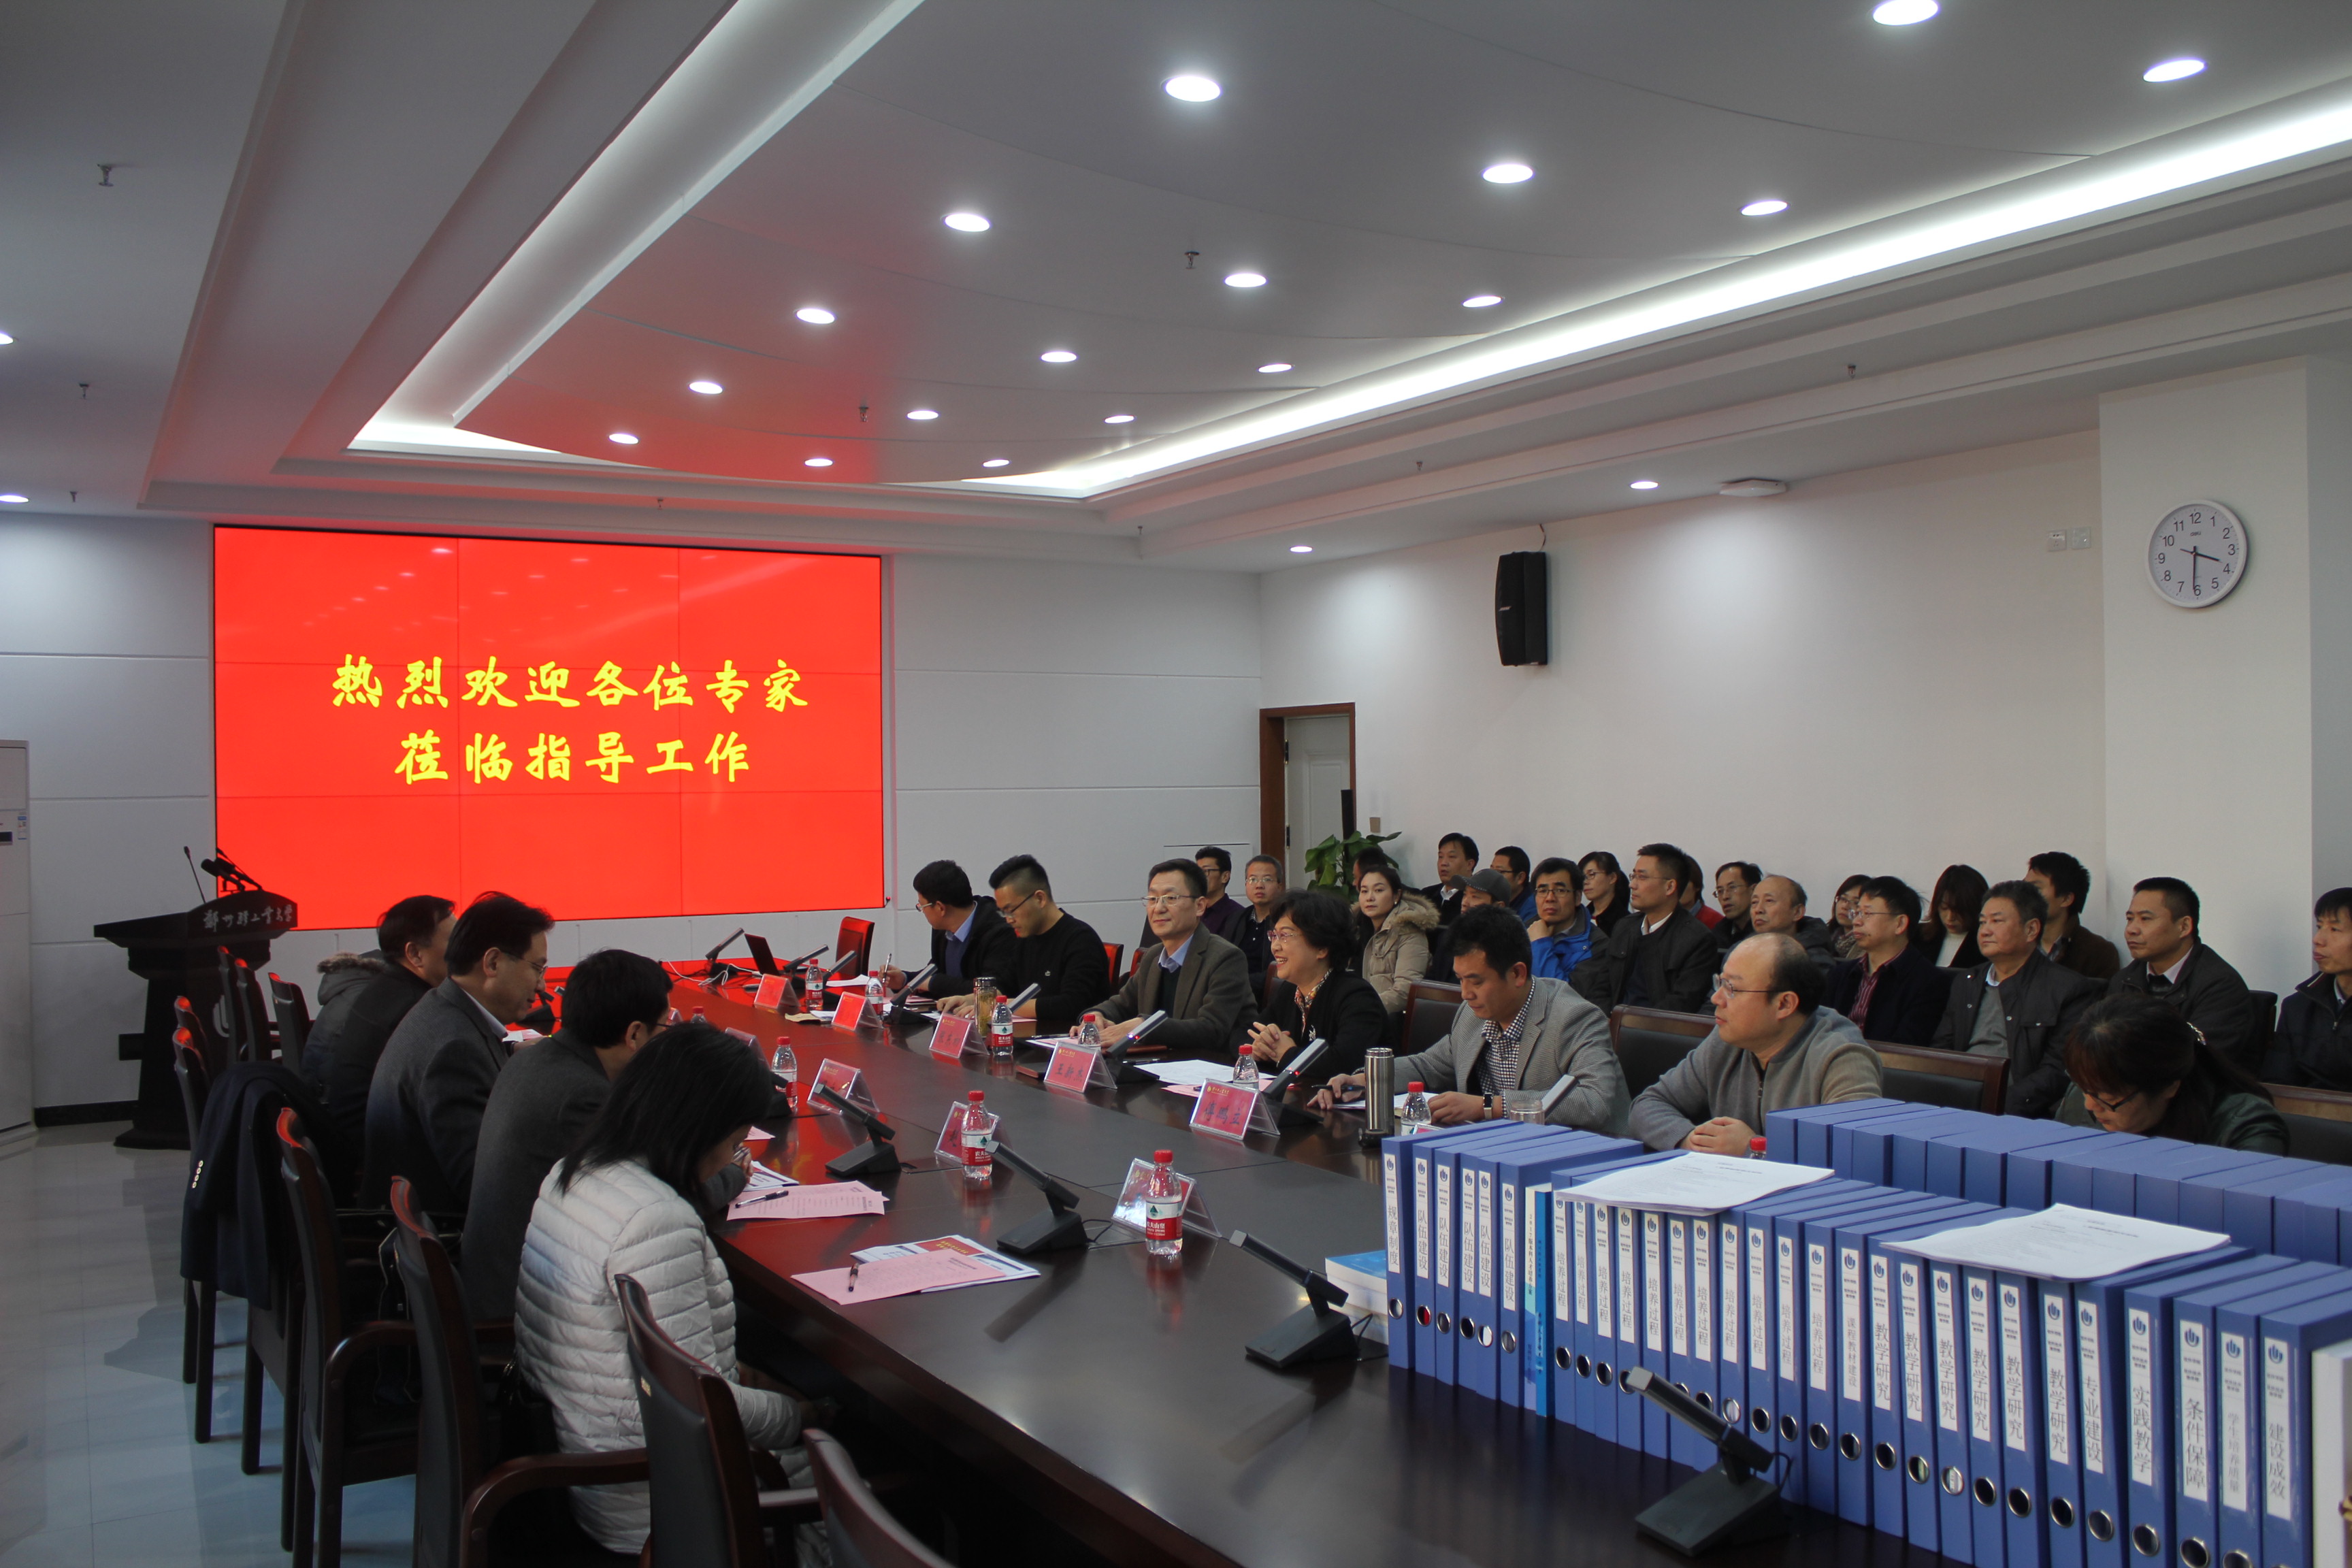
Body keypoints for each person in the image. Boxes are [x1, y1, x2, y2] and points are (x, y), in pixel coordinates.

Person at [514, 1021, 808, 1553]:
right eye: (735, 1142)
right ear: (698, 1129)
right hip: (657, 1499)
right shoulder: (656, 1221)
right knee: (860, 1461)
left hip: (590, 1455)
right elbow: (702, 1404)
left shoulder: (576, 1171)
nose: (732, 1158)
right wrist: (799, 1415)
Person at [463, 948, 670, 1320]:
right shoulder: (582, 1096)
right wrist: (733, 1171)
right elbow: (659, 1191)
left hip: (500, 1275)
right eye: (665, 1029)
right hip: (527, 1308)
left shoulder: (535, 1058)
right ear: (635, 1034)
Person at [1313, 905, 1629, 1133]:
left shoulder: (1574, 1018)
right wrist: (1367, 1080)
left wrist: (1488, 1107)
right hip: (1501, 1153)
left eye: (1476, 981)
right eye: (1460, 979)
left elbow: (1595, 1101)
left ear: (1518, 974)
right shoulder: (1473, 1014)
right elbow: (1430, 1065)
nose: (1465, 994)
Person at [361, 892, 553, 1211]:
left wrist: (512, 1055)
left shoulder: (442, 1007)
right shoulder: (455, 1050)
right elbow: (480, 1185)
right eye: (538, 968)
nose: (542, 986)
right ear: (493, 963)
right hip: (438, 1229)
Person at [1628, 934, 1884, 1152]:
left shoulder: (1841, 1057)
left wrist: (1754, 1149)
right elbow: (1648, 1105)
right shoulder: (1726, 1040)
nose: (1717, 999)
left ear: (1784, 1004)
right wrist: (1691, 1140)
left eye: (1732, 988)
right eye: (1720, 983)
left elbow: (1854, 1152)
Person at [301, 893, 453, 1187]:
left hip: (353, 1133)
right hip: (374, 1159)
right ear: (415, 954)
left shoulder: (387, 986)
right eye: (454, 942)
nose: (464, 951)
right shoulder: (414, 1008)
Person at [1926, 880, 2100, 1118]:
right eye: (1983, 922)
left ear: (2031, 930)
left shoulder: (2068, 989)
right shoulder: (1967, 982)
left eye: (1997, 921)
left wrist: (1998, 1106)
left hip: (2020, 1112)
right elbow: (1942, 1049)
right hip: (1960, 1103)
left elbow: (2058, 1069)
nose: (1985, 931)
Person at [2055, 994, 2286, 1152]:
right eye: (2084, 1088)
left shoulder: (2244, 1128)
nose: (2090, 1105)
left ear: (2169, 1086)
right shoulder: (2079, 1100)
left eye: (2109, 1096)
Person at [1093, 860, 1258, 1060]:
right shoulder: (1153, 956)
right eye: (1153, 899)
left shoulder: (1226, 958)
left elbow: (1212, 1030)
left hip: (1210, 1068)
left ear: (1199, 906)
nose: (1158, 908)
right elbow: (1121, 1004)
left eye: (1170, 898)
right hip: (1156, 1066)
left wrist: (1145, 1026)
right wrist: (1096, 1017)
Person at [938, 855, 1109, 1035]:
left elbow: (1071, 1005)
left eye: (1011, 910)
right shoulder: (1025, 938)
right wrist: (975, 1000)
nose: (1008, 919)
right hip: (1028, 1038)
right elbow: (1006, 985)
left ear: (1039, 899)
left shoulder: (1080, 939)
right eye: (1003, 912)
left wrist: (999, 1006)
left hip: (1069, 1040)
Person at [2108, 877, 2259, 1069]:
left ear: (2184, 926)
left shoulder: (2221, 985)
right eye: (2130, 919)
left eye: (2145, 919)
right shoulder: (2124, 980)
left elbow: (2199, 1060)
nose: (2131, 930)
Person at [1246, 890, 1388, 1085]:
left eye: (1285, 935)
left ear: (1322, 947)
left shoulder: (1357, 997)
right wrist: (1259, 1048)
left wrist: (1286, 1054)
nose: (1275, 947)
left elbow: (1344, 1065)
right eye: (1274, 936)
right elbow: (1247, 1033)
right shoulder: (1289, 990)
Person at [1569, 843, 1717, 1014]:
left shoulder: (1698, 939)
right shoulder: (1625, 926)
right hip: (1611, 1024)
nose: (1632, 885)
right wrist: (1604, 1021)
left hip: (1655, 1027)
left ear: (1670, 887)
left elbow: (1681, 1004)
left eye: (1642, 877)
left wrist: (1630, 1024)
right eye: (1634, 876)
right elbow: (1602, 987)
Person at [1823, 877, 1950, 1046]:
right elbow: (1820, 1030)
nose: (1857, 922)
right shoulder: (1840, 974)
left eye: (1867, 914)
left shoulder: (1929, 982)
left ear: (1900, 924)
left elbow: (1907, 1047)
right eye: (1857, 913)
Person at [887, 860, 1017, 1000]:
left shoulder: (999, 932)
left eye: (922, 906)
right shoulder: (943, 928)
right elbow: (935, 973)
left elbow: (993, 990)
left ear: (940, 908)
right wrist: (905, 979)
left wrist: (933, 983)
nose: (922, 911)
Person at [2264, 888, 2352, 1088]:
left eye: (2334, 929)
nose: (2318, 939)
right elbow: (2279, 1084)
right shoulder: (2299, 1007)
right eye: (2319, 926)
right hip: (2307, 1108)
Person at [2025, 851, 2123, 982]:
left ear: (2066, 899)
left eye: (2036, 889)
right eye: (2024, 887)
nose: (2025, 895)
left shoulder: (2098, 952)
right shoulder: (2014, 942)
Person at [1354, 862, 1437, 1015]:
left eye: (1378, 890)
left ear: (1396, 895)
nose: (1370, 898)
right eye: (1364, 891)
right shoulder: (1355, 928)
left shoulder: (1410, 931)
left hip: (1389, 1017)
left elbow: (1405, 991)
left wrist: (1361, 1009)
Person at [1427, 868, 1513, 979]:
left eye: (1475, 897)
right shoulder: (1447, 937)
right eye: (1465, 895)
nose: (1465, 903)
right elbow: (1431, 981)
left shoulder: (1506, 948)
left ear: (1499, 907)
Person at [1525, 856, 1597, 982]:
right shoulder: (1522, 933)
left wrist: (1540, 944)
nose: (1550, 898)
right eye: (1543, 890)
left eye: (1560, 890)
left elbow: (1567, 993)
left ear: (1577, 897)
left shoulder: (1597, 945)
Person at [1748, 875, 1841, 968]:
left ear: (1797, 912)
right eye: (1754, 902)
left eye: (1769, 901)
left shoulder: (1813, 960)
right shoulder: (1744, 950)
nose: (1758, 910)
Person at [1232, 854, 1284, 995]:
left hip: (1271, 995)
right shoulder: (1236, 918)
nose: (1259, 885)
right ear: (1246, 884)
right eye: (1253, 879)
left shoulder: (1286, 921)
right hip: (1234, 994)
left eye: (1267, 879)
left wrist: (1238, 984)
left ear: (1279, 886)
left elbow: (1280, 970)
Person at [1925, 864, 1989, 968]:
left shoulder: (1988, 946)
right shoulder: (1919, 937)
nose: (1950, 917)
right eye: (1944, 908)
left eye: (1959, 911)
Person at [1422, 832, 1478, 926]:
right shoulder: (1426, 895)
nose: (1443, 863)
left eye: (1452, 857)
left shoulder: (1475, 901)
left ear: (1470, 864)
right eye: (1440, 857)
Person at [1580, 851, 1632, 938]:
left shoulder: (1626, 922)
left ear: (1612, 878)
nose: (1585, 882)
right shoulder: (1579, 917)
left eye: (1591, 875)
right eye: (1582, 877)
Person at [1712, 862, 1761, 951]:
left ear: (1753, 890)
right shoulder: (1718, 934)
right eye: (1720, 891)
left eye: (1732, 887)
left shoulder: (1766, 931)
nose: (1725, 897)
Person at [1830, 875, 1870, 960]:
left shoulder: (1869, 948)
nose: (1845, 906)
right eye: (1843, 899)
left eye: (1856, 903)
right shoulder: (1826, 937)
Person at [1492, 846, 1536, 922]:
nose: (1492, 877)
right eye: (1491, 870)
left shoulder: (1533, 907)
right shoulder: (1492, 898)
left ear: (1520, 878)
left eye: (1500, 872)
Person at [1678, 853, 1720, 930]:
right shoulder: (1663, 919)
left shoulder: (1715, 921)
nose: (1677, 888)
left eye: (1684, 883)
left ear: (1697, 886)